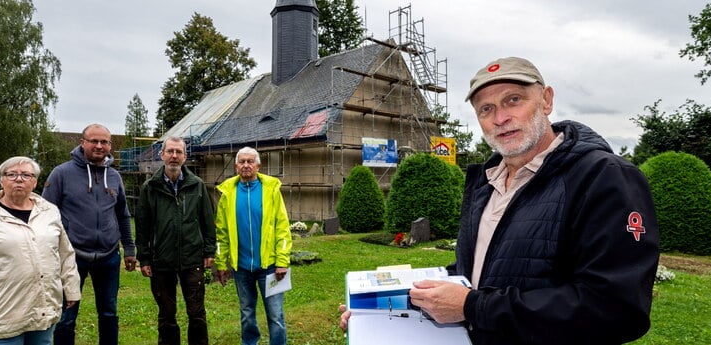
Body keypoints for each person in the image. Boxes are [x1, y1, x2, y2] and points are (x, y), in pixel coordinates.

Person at [342, 57, 660, 345]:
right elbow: (477, 273)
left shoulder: (603, 177)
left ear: (547, 100)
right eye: (486, 109)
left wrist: (471, 306)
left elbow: (617, 310)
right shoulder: (486, 182)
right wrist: (376, 308)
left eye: (513, 100)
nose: (500, 118)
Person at [0, 156, 81, 344]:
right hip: (1, 315)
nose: (19, 179)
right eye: (11, 174)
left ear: (35, 182)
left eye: (26, 175)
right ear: (1, 180)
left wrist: (71, 289)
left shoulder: (49, 212)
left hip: (42, 309)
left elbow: (65, 255)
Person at [42, 123, 136, 345]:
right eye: (94, 141)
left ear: (110, 145)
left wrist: (129, 248)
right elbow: (45, 216)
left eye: (104, 142)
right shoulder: (61, 173)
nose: (99, 146)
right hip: (71, 257)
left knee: (109, 313)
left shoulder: (114, 176)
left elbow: (123, 214)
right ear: (82, 142)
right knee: (66, 316)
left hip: (109, 256)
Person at [135, 136, 217, 345]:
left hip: (192, 258)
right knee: (166, 314)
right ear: (162, 155)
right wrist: (144, 258)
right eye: (170, 151)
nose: (174, 156)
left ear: (185, 156)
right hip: (161, 260)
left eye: (178, 152)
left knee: (197, 312)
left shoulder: (196, 185)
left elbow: (208, 220)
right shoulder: (150, 187)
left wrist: (209, 251)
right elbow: (143, 225)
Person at [214, 147, 292, 345]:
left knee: (276, 315)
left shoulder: (271, 190)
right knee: (247, 314)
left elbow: (282, 228)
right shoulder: (227, 194)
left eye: (250, 162)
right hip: (241, 268)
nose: (246, 165)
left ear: (258, 165)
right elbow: (221, 233)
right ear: (236, 166)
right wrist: (221, 264)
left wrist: (283, 261)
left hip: (272, 266)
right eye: (242, 162)